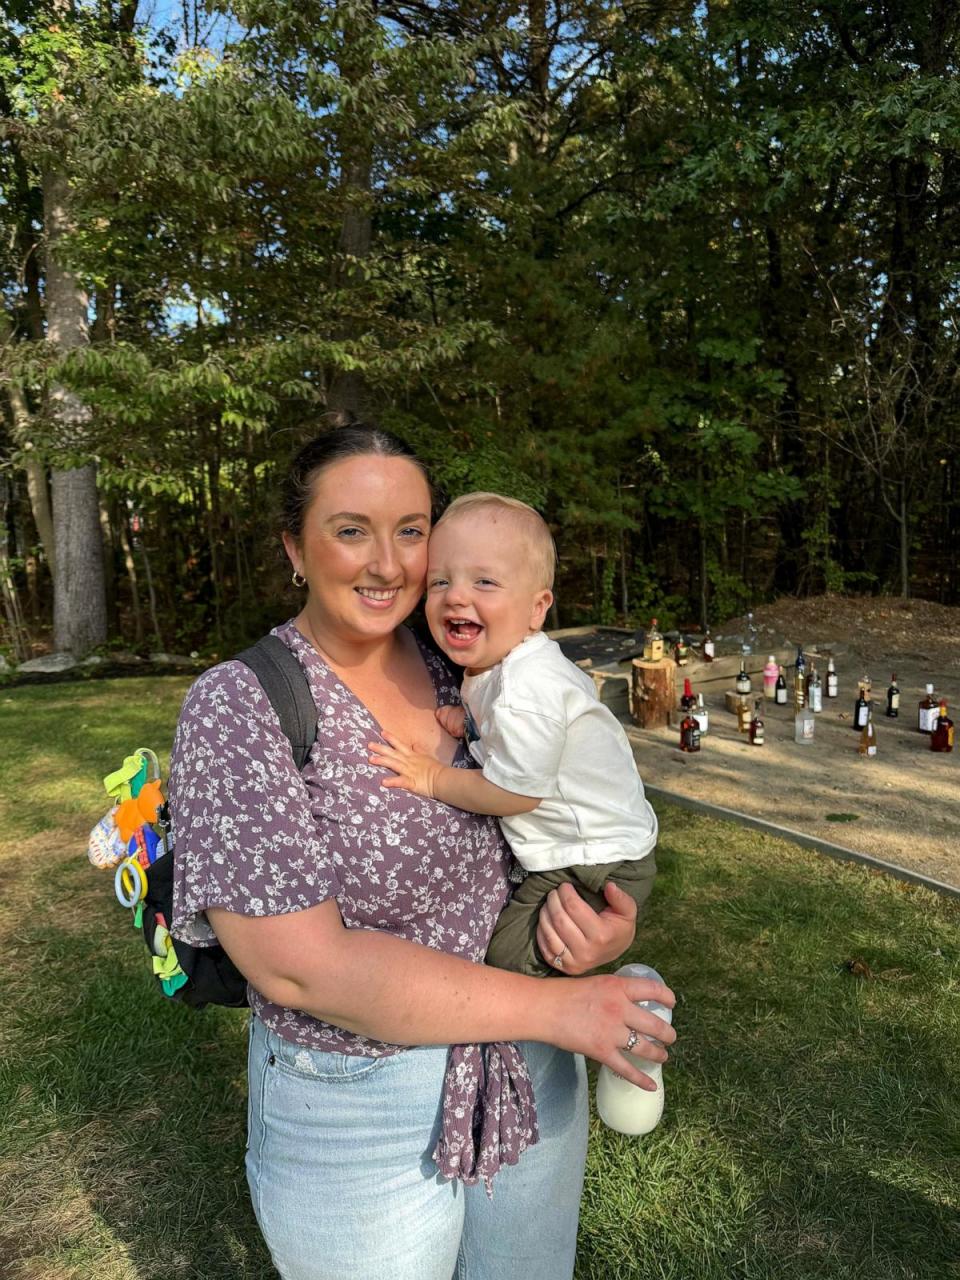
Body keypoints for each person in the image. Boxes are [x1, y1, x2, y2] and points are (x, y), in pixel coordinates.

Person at [167, 425, 675, 1280]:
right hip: (362, 1102)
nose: (390, 563)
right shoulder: (241, 706)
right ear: (295, 547)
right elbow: (302, 971)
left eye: (411, 530)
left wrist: (594, 929)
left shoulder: (467, 662)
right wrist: (562, 1009)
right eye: (351, 529)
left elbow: (560, 818)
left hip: (525, 1066)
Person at [368, 492, 658, 978]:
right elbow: (527, 730)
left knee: (512, 956)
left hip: (596, 858)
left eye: (485, 581)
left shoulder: (527, 686)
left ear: (536, 607)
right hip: (588, 849)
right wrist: (472, 724)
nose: (457, 595)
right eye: (440, 581)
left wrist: (433, 779)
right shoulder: (504, 666)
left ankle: (628, 1002)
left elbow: (515, 791)